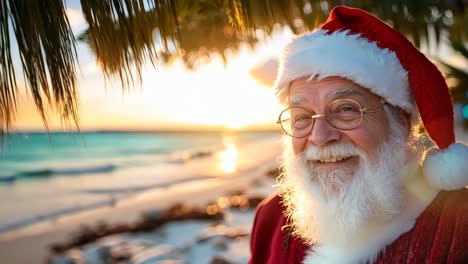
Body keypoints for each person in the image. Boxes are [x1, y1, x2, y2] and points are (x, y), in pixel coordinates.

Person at [249, 6, 468, 264]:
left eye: (345, 109)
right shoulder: (272, 216)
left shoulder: (460, 223)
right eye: (302, 117)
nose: (319, 136)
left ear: (401, 121)